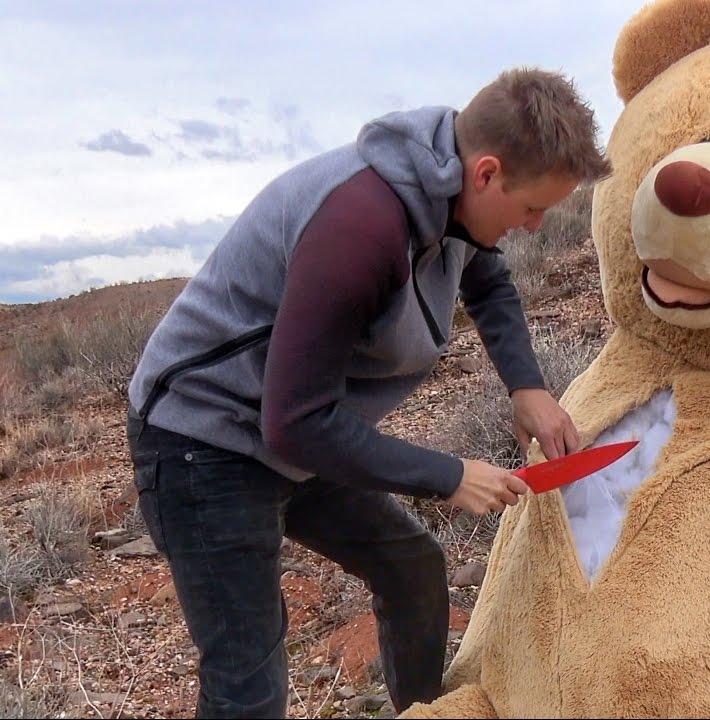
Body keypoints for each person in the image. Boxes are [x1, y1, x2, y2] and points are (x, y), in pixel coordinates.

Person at [125, 66, 612, 718]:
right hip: (204, 442)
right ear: (487, 173)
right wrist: (447, 475)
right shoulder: (359, 226)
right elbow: (295, 422)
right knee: (250, 678)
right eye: (532, 208)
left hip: (296, 431)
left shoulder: (454, 197)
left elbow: (488, 281)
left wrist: (527, 385)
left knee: (413, 569)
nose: (534, 226)